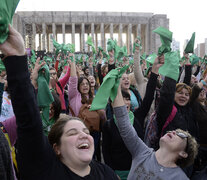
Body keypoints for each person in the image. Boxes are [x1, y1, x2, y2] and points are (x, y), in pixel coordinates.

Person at [0, 25, 119, 180]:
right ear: (56, 148)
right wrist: (16, 58)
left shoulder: (106, 173)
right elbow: (29, 119)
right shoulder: (45, 170)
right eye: (73, 133)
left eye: (86, 132)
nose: (83, 135)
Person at [111, 83, 198, 180]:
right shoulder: (142, 152)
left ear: (183, 153)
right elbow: (123, 122)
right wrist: (116, 86)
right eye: (174, 131)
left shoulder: (180, 178)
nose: (173, 132)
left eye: (181, 135)